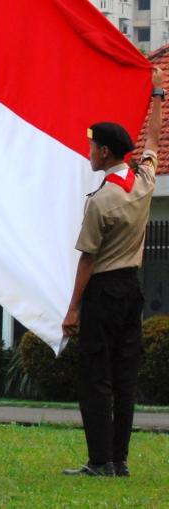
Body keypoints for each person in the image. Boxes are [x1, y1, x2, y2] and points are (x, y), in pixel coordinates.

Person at [62, 68, 163, 478]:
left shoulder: (102, 201)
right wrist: (157, 96)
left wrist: (73, 309)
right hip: (132, 289)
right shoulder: (144, 180)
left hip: (103, 291)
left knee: (94, 377)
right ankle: (118, 460)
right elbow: (154, 140)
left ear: (104, 153)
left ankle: (99, 460)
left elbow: (87, 259)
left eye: (92, 148)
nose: (89, 153)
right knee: (124, 378)